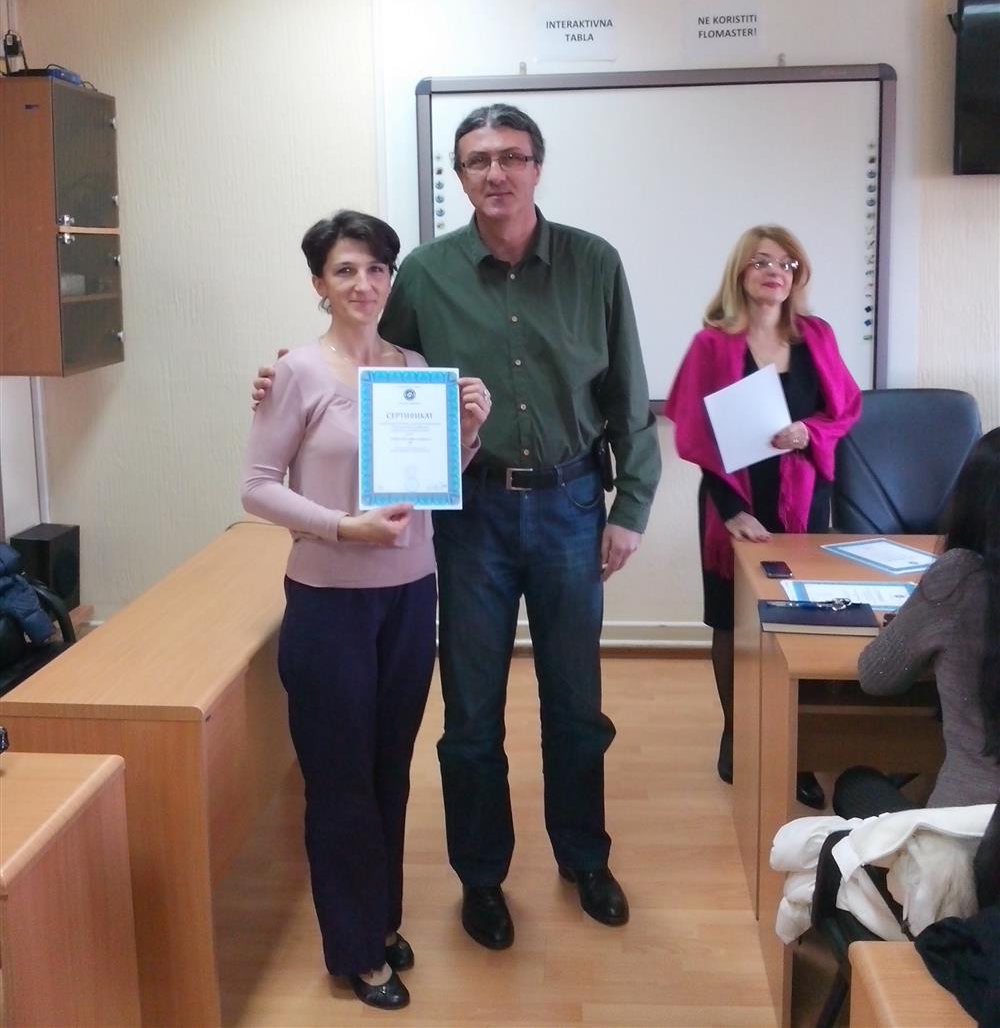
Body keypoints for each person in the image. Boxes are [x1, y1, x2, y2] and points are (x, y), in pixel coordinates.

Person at [254, 103, 661, 949]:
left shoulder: (593, 263)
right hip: (470, 513)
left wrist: (629, 508)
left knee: (576, 702)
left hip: (571, 506)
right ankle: (481, 876)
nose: (495, 172)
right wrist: (287, 374)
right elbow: (370, 358)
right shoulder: (426, 273)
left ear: (538, 165)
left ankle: (584, 855)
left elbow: (627, 394)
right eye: (478, 160)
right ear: (460, 174)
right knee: (471, 712)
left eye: (512, 156)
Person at [241, 209, 489, 1011]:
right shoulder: (296, 373)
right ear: (319, 283)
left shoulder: (412, 367)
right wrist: (340, 526)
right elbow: (256, 486)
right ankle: (356, 951)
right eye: (345, 269)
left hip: (411, 595)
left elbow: (429, 481)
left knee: (389, 768)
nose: (364, 283)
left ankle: (378, 919)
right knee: (341, 778)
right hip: (329, 603)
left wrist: (468, 430)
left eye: (377, 268)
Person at [663, 225, 861, 806]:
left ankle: (797, 744)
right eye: (762, 262)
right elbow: (697, 434)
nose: (776, 272)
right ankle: (738, 734)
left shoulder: (817, 336)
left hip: (805, 502)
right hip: (734, 504)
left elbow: (845, 409)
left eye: (787, 264)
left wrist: (810, 432)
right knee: (732, 622)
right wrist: (730, 511)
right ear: (741, 274)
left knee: (800, 623)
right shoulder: (712, 345)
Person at [833, 427, 1000, 818]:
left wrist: (916, 629)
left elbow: (876, 676)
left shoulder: (959, 577)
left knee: (854, 784)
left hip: (962, 832)